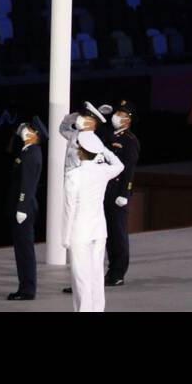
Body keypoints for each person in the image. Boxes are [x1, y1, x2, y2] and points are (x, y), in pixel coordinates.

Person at [61, 129, 123, 313]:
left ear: (80, 150)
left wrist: (65, 237)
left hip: (80, 231)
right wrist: (104, 150)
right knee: (96, 276)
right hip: (99, 230)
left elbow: (68, 209)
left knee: (81, 278)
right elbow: (120, 165)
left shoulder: (74, 176)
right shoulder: (102, 171)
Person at [6, 115, 46, 301]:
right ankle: (24, 287)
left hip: (24, 208)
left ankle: (28, 289)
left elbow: (27, 185)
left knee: (25, 251)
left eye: (28, 128)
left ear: (35, 134)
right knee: (21, 250)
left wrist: (21, 207)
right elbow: (9, 150)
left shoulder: (32, 154)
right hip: (21, 207)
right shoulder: (26, 150)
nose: (24, 130)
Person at [104, 100, 140, 287]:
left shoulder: (130, 141)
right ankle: (111, 270)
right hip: (106, 190)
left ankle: (118, 273)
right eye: (117, 113)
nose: (117, 117)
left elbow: (129, 170)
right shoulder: (109, 136)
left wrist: (125, 193)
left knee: (118, 233)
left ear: (128, 119)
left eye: (122, 114)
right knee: (108, 234)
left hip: (119, 192)